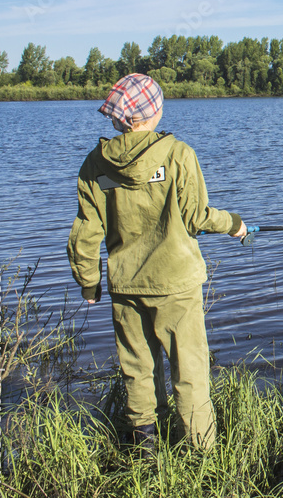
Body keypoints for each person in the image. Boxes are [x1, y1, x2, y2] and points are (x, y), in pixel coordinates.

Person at [67, 73, 246, 452]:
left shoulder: (95, 165)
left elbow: (87, 230)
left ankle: (144, 451)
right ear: (154, 112)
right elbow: (197, 217)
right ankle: (204, 454)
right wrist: (234, 224)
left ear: (118, 118)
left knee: (137, 370)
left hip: (125, 286)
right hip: (176, 285)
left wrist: (88, 281)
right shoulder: (178, 153)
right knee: (190, 372)